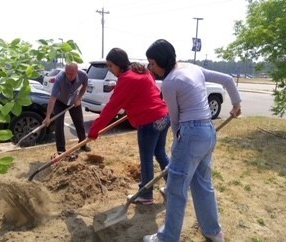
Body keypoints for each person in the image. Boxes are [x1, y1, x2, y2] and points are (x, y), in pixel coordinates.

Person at [143, 39, 242, 242]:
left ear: (161, 61)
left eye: (152, 63)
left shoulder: (170, 82)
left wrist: (178, 143)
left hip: (190, 133)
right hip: (208, 131)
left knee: (176, 188)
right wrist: (236, 103)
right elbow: (228, 80)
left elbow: (176, 119)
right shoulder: (193, 68)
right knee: (203, 183)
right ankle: (213, 231)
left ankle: (168, 238)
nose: (150, 68)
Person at [88, 48, 170, 204]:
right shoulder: (140, 70)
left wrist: (94, 131)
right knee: (160, 153)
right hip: (163, 116)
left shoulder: (126, 79)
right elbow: (148, 92)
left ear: (119, 64)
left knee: (146, 159)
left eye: (111, 66)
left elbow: (111, 108)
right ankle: (174, 187)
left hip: (149, 121)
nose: (110, 70)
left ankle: (146, 195)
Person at [43, 63, 91, 158]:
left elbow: (84, 86)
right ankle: (61, 151)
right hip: (60, 102)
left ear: (77, 72)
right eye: (68, 73)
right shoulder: (59, 79)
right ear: (65, 71)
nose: (70, 76)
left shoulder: (83, 75)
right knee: (59, 126)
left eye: (73, 74)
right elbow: (52, 98)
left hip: (74, 101)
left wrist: (79, 98)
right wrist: (48, 117)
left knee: (79, 123)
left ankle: (83, 144)